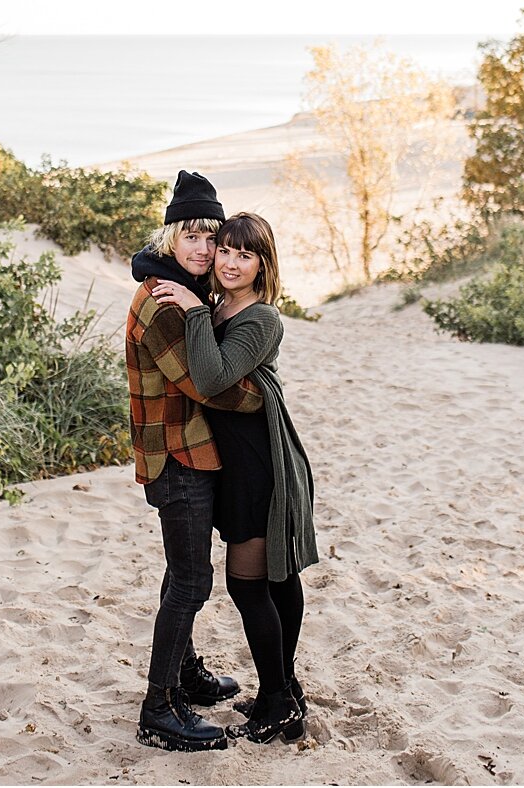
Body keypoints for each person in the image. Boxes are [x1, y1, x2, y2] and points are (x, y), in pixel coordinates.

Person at [148, 210, 317, 744]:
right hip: (234, 461)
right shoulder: (221, 306)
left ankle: (276, 700)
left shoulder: (261, 318)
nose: (230, 261)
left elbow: (214, 374)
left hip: (258, 466)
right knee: (274, 579)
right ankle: (285, 689)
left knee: (252, 585)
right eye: (226, 250)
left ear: (263, 264)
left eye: (246, 255)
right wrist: (199, 303)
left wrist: (197, 311)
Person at [125, 171, 263, 752]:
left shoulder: (186, 290)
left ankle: (184, 673)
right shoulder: (163, 301)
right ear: (171, 237)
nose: (205, 250)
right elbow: (204, 383)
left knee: (183, 573)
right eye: (194, 237)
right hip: (176, 457)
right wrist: (259, 395)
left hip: (189, 451)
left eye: (214, 238)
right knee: (190, 581)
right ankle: (158, 709)